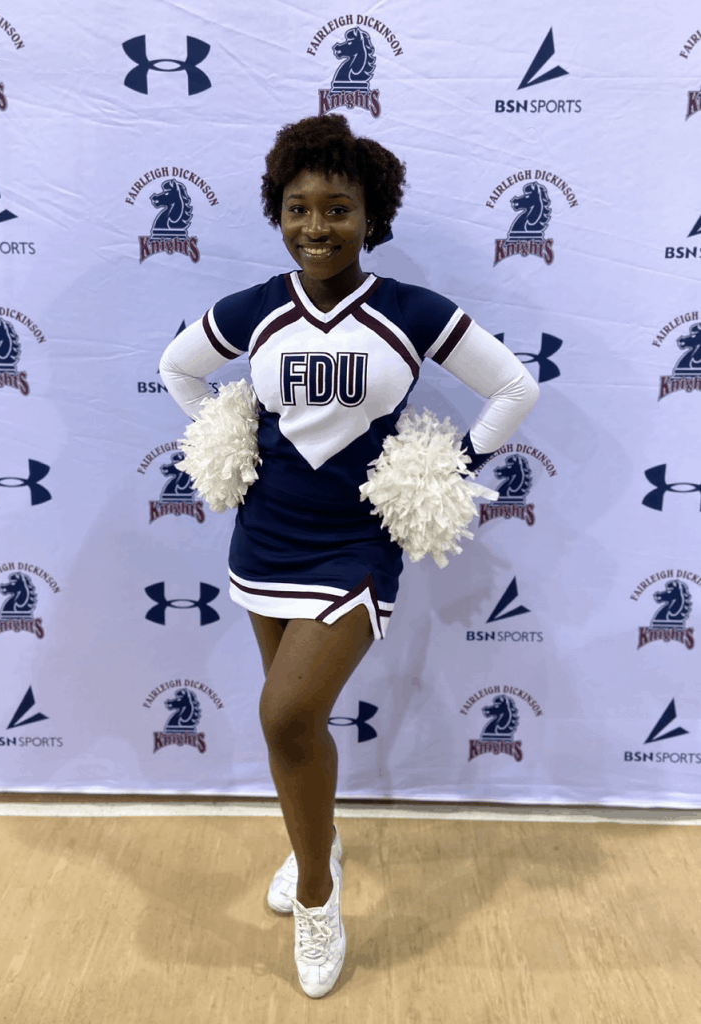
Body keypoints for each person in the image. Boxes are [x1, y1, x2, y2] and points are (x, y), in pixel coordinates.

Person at [159, 114, 539, 998]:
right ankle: (316, 842)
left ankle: (318, 899)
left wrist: (446, 467)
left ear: (372, 216)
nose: (317, 226)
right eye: (298, 208)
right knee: (296, 727)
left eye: (338, 208)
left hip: (357, 543)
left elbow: (515, 388)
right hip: (265, 538)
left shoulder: (410, 312)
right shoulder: (257, 308)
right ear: (277, 213)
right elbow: (179, 369)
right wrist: (224, 435)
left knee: (286, 715)